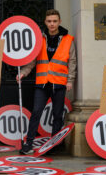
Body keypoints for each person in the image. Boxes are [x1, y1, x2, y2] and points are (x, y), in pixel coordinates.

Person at [17, 9, 76, 155]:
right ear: (45, 22)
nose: (52, 24)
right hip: (42, 83)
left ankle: (54, 145)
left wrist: (70, 80)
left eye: (55, 21)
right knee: (36, 112)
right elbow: (32, 61)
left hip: (59, 83)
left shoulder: (68, 39)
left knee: (57, 115)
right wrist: (23, 73)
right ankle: (28, 143)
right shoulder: (40, 39)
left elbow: (72, 62)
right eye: (49, 21)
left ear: (59, 22)